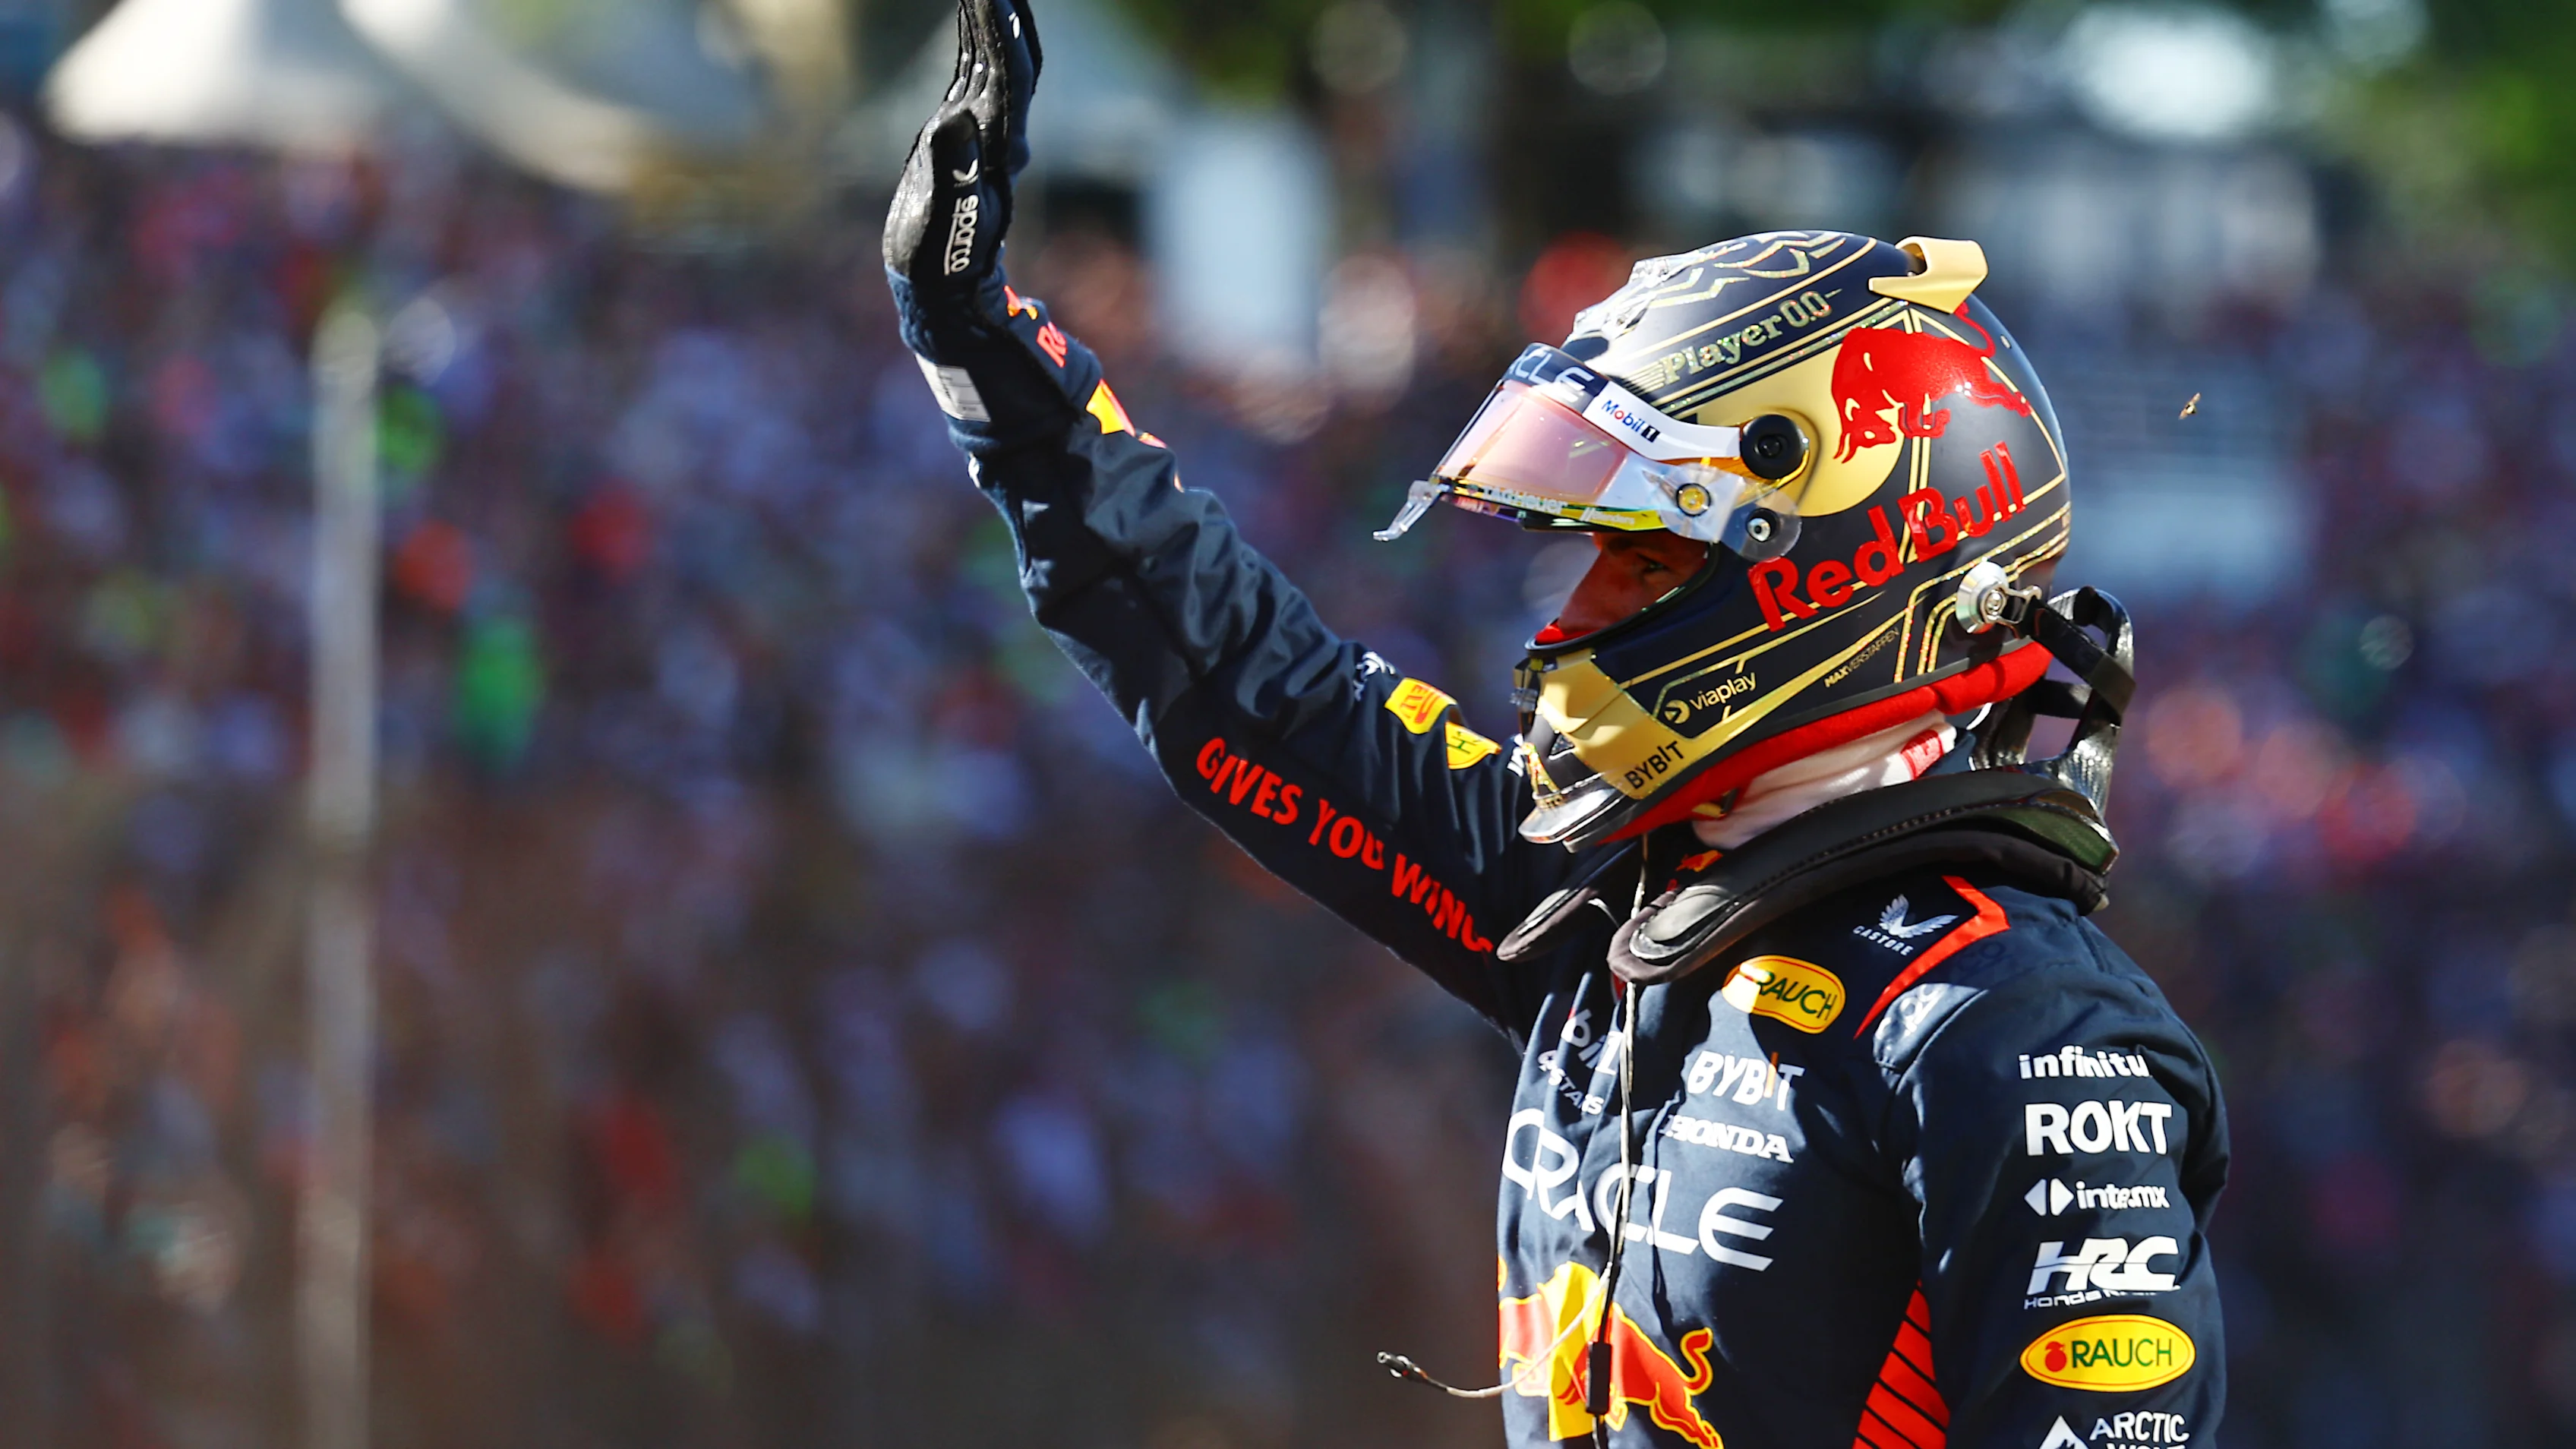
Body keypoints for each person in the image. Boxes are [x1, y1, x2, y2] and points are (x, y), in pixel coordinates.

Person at [882, 5, 2227, 1445]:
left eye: (1638, 560)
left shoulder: (2008, 1028)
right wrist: (984, 358)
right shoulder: (1618, 915)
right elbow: (1250, 690)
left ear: (1840, 564)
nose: (1565, 616)